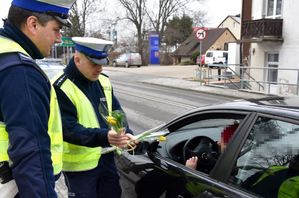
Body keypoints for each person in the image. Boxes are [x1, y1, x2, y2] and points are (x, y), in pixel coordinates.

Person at [0, 0, 75, 197]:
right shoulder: (20, 71)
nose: (59, 39)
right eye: (56, 29)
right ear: (33, 24)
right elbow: (31, 153)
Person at [52, 37, 136, 198]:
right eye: (94, 64)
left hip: (107, 159)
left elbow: (116, 111)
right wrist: (104, 136)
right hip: (80, 168)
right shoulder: (60, 86)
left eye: (102, 63)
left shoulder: (103, 81)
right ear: (77, 59)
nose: (99, 69)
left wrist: (125, 133)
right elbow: (68, 129)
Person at [135, 123, 239, 198]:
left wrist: (188, 172)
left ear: (231, 145)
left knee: (160, 176)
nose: (218, 143)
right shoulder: (234, 165)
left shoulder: (227, 172)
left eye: (222, 141)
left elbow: (183, 193)